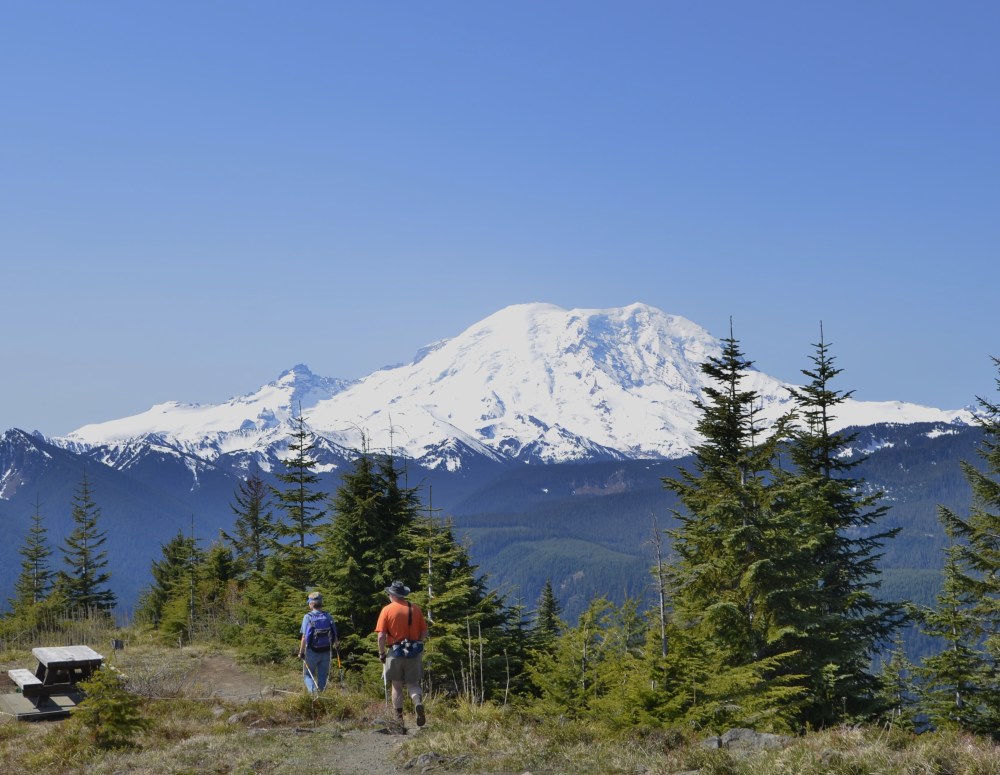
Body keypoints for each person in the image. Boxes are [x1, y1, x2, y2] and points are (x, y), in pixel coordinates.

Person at [375, 580, 429, 726]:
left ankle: (399, 720)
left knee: (396, 686)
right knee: (413, 684)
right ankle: (417, 701)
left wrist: (381, 654)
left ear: (392, 595)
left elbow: (381, 636)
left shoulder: (387, 610)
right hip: (413, 652)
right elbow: (424, 632)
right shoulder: (415, 609)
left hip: (395, 652)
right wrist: (416, 642)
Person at [298, 591, 338, 693]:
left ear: (311, 604)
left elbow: (304, 637)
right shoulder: (328, 616)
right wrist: (336, 646)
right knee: (322, 677)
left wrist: (301, 652)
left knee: (307, 675)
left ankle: (314, 696)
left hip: (312, 651)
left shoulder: (308, 617)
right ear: (321, 603)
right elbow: (334, 634)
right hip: (326, 651)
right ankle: (322, 697)